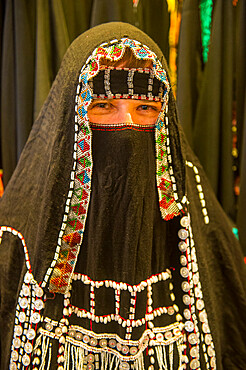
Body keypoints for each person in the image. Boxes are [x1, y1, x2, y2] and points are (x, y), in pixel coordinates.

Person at [0, 22, 245, 370]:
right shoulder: (16, 242)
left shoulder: (203, 233)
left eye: (145, 109)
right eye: (102, 105)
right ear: (71, 117)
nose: (127, 125)